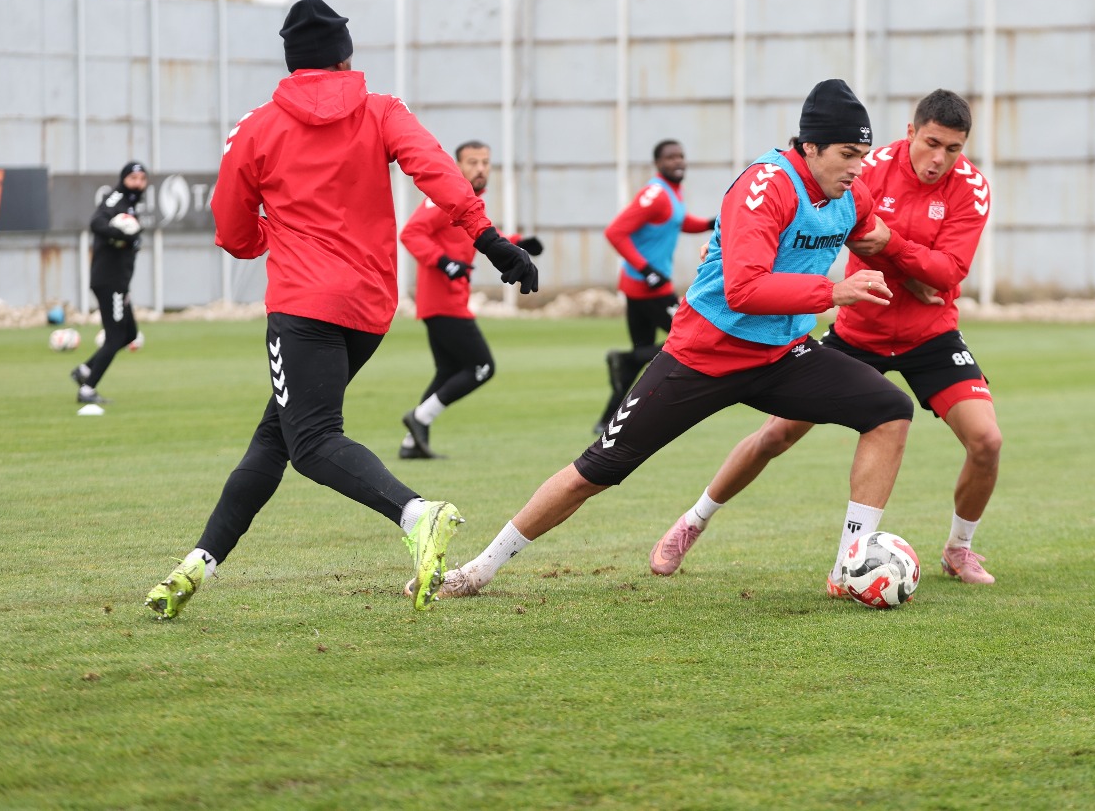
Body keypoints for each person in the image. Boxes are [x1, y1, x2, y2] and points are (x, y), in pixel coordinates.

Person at [426, 79, 916, 602]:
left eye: (863, 156)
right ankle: (477, 570)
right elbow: (744, 289)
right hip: (704, 353)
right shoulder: (767, 186)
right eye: (847, 154)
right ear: (810, 146)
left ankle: (850, 565)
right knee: (597, 470)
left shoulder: (850, 194)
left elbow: (874, 235)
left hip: (783, 354)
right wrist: (834, 290)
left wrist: (924, 272)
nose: (858, 168)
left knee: (889, 410)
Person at [144, 0, 539, 620]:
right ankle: (200, 561)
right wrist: (492, 243)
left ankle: (417, 514)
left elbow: (229, 228)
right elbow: (435, 172)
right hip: (368, 310)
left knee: (310, 440)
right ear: (345, 55)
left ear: (291, 61)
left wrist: (267, 241)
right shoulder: (382, 109)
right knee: (277, 432)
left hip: (302, 306)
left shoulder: (255, 127)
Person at [649, 89, 1004, 585]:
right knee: (775, 434)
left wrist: (895, 248)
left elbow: (946, 272)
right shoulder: (867, 167)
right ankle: (694, 520)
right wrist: (912, 270)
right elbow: (853, 236)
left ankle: (958, 549)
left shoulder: (972, 188)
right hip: (859, 329)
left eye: (953, 149)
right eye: (931, 143)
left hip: (931, 334)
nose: (939, 159)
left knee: (987, 440)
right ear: (910, 133)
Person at [397, 138, 544, 459]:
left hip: (451, 300)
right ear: (458, 166)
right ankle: (419, 418)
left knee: (448, 371)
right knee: (482, 367)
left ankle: (411, 444)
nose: (480, 169)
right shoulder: (442, 199)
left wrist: (518, 242)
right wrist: (443, 262)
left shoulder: (469, 201)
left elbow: (474, 233)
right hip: (442, 301)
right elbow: (410, 233)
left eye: (485, 162)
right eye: (472, 162)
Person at [593, 139, 715, 434]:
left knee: (642, 353)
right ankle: (624, 359)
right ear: (658, 163)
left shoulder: (672, 193)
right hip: (649, 288)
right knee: (695, 337)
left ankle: (607, 419)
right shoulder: (656, 194)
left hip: (643, 286)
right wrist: (647, 270)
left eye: (681, 156)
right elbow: (615, 232)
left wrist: (711, 223)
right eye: (671, 157)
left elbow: (678, 221)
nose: (678, 161)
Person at [68, 161, 148, 405]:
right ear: (123, 179)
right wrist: (124, 234)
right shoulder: (116, 200)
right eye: (133, 178)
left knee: (129, 333)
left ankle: (84, 371)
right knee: (114, 337)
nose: (138, 183)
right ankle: (88, 390)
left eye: (142, 179)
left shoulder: (131, 205)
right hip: (109, 280)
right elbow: (97, 222)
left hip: (119, 282)